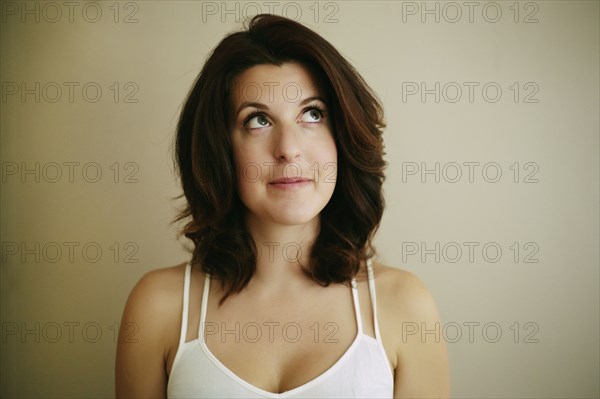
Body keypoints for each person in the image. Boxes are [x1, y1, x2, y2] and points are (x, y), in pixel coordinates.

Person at [115, 14, 449, 398]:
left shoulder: (405, 306)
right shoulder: (157, 307)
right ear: (220, 149)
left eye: (312, 114)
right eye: (258, 120)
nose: (288, 149)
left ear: (341, 136)